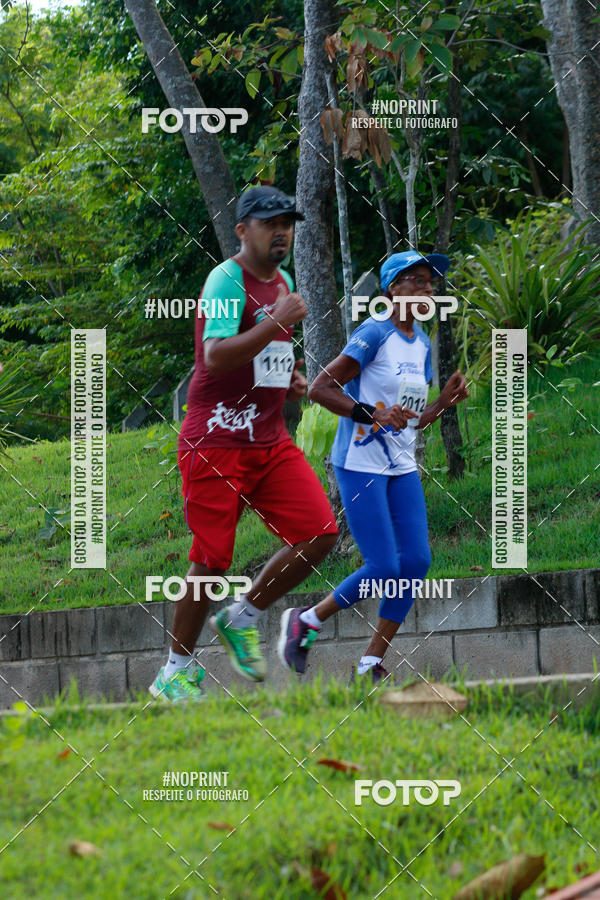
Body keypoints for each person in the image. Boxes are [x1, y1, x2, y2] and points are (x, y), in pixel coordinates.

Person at [150, 186, 338, 702]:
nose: (282, 232)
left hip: (268, 439)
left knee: (320, 533)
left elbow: (263, 354)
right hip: (216, 439)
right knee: (211, 560)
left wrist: (287, 380)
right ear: (242, 230)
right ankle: (174, 672)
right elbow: (214, 356)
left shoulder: (284, 283)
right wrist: (277, 319)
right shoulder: (226, 280)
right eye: (270, 223)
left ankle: (242, 617)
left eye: (287, 224)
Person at [278, 251, 468, 684]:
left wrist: (444, 402)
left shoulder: (421, 344)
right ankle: (307, 619)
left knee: (415, 562)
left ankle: (369, 663)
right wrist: (373, 414)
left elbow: (413, 418)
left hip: (400, 466)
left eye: (430, 282)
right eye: (416, 281)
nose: (427, 289)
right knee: (383, 566)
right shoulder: (375, 333)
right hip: (360, 464)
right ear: (392, 290)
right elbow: (321, 388)